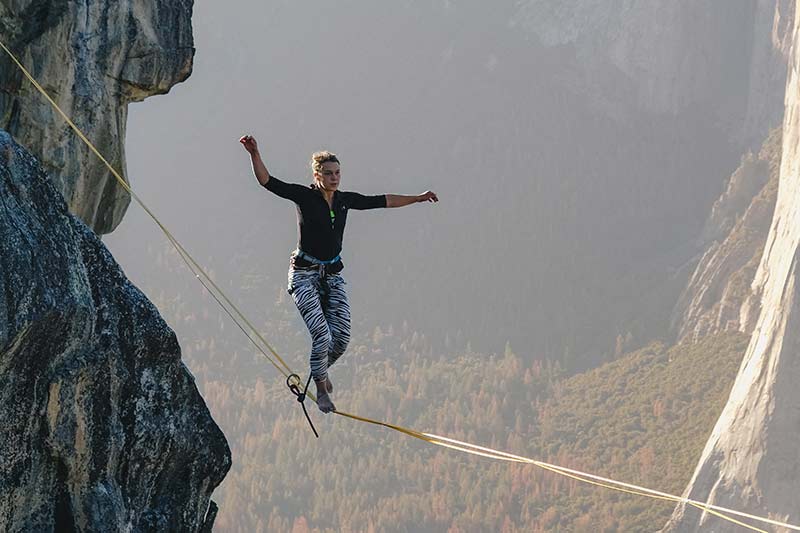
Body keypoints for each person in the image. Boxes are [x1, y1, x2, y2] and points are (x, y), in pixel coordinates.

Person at [240, 135, 438, 413]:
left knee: (341, 338)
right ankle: (321, 390)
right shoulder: (305, 197)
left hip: (332, 274)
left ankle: (321, 370)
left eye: (337, 173)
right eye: (329, 174)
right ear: (317, 175)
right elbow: (268, 182)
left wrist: (417, 198)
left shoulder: (345, 200)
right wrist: (254, 153)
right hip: (304, 274)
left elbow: (383, 201)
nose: (334, 178)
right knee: (321, 334)